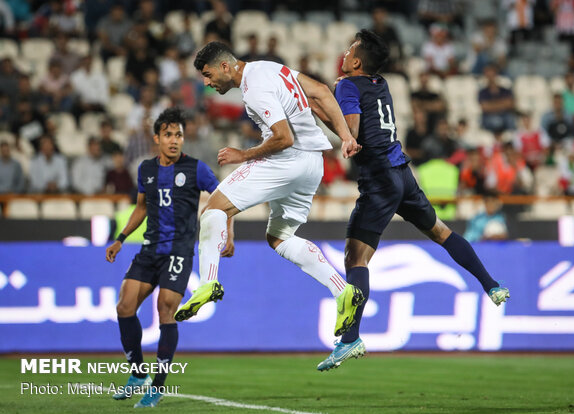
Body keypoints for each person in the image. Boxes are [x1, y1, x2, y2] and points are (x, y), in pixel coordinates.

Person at [315, 30, 510, 371]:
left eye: (349, 50)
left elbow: (354, 132)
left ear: (357, 60)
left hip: (378, 177)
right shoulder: (381, 83)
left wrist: (324, 109)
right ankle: (491, 285)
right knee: (440, 231)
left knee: (355, 257)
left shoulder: (347, 85)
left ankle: (350, 339)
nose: (344, 54)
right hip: (403, 172)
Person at [173, 42, 365, 343]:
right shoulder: (269, 67)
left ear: (226, 66)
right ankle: (343, 291)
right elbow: (321, 91)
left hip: (287, 160)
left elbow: (283, 138)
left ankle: (207, 283)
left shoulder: (253, 87)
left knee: (212, 209)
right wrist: (345, 137)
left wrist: (244, 154)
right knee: (280, 237)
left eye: (209, 76)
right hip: (313, 164)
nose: (208, 84)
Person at [105, 108, 223, 408]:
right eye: (168, 135)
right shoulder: (146, 169)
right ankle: (137, 374)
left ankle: (157, 386)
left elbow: (224, 198)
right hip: (149, 250)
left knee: (164, 310)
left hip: (179, 252)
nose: (174, 140)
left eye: (179, 135)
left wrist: (228, 233)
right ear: (156, 138)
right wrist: (119, 238)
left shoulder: (196, 169)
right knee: (124, 305)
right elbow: (141, 208)